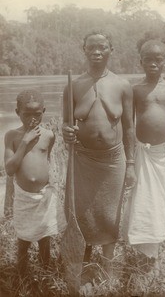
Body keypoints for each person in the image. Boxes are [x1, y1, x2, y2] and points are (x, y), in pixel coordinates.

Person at [62, 31, 136, 274]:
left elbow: (128, 127)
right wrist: (67, 132)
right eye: (91, 47)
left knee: (109, 216)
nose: (96, 51)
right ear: (84, 50)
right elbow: (65, 126)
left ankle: (108, 271)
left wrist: (132, 163)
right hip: (82, 161)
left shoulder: (122, 85)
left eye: (102, 47)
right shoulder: (73, 86)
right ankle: (81, 271)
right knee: (80, 215)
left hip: (114, 162)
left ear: (110, 50)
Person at [123, 40, 165, 266]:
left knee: (159, 201)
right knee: (142, 201)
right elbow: (128, 126)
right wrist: (129, 160)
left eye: (158, 60)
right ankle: (141, 252)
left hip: (162, 156)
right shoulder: (135, 90)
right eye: (148, 59)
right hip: (142, 154)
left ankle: (154, 251)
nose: (153, 63)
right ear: (141, 62)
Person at [4, 89, 67, 278]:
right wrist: (24, 142)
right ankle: (22, 279)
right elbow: (9, 169)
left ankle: (45, 276)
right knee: (23, 240)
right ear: (17, 113)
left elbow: (46, 160)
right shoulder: (12, 136)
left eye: (37, 114)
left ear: (44, 111)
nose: (32, 118)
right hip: (24, 198)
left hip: (44, 197)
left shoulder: (49, 135)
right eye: (26, 114)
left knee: (44, 238)